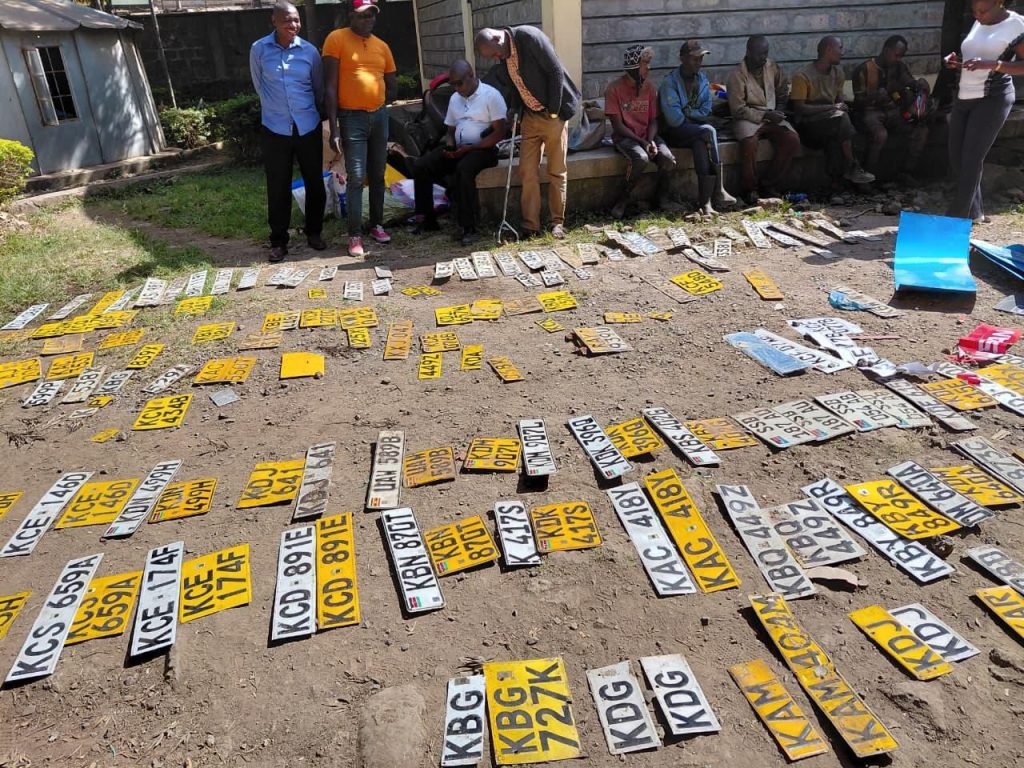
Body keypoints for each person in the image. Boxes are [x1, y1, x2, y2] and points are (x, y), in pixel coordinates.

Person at [475, 26, 581, 239]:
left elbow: (555, 71)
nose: (496, 58)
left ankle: (556, 223)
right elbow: (515, 84)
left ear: (498, 38)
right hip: (530, 118)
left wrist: (553, 111)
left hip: (553, 114)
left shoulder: (529, 37)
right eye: (493, 57)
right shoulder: (503, 53)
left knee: (556, 171)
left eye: (495, 53)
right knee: (526, 171)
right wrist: (515, 109)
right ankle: (531, 226)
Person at [249, 2, 325, 263]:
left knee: (315, 182)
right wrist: (278, 112)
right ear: (274, 21)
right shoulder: (258, 50)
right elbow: (259, 87)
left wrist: (306, 114)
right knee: (278, 186)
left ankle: (314, 232)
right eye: (287, 20)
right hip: (275, 129)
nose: (293, 25)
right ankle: (278, 241)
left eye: (296, 20)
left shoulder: (310, 52)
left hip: (307, 127)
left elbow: (317, 88)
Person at [323, 0, 397, 257]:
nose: (368, 20)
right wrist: (334, 128)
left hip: (379, 116)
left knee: (377, 174)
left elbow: (391, 81)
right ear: (351, 16)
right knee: (356, 176)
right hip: (351, 118)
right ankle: (354, 234)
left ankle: (376, 224)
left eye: (371, 15)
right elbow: (330, 88)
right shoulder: (336, 39)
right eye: (363, 15)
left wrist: (380, 103)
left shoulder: (382, 46)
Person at [409, 59, 507, 245]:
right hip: (461, 148)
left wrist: (471, 148)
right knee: (422, 165)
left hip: (484, 149)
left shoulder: (491, 96)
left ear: (471, 76)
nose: (456, 88)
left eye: (459, 83)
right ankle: (427, 220)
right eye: (452, 84)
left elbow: (499, 133)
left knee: (464, 169)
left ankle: (469, 227)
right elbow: (450, 131)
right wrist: (450, 145)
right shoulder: (455, 98)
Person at [944, 0, 1024, 222]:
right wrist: (956, 61)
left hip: (993, 98)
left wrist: (993, 64)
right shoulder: (978, 20)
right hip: (964, 96)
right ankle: (975, 211)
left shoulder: (1017, 25)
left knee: (971, 158)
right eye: (974, 10)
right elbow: (975, 54)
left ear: (1000, 3)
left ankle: (955, 220)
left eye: (983, 10)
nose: (977, 15)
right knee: (957, 158)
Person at [658, 40, 736, 215]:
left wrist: (687, 112)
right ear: (683, 59)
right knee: (708, 130)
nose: (699, 63)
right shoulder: (669, 83)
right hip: (672, 133)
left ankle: (705, 203)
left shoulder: (702, 80)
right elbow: (674, 119)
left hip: (693, 132)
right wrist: (694, 116)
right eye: (695, 59)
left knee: (700, 143)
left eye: (701, 59)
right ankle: (719, 189)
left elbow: (706, 110)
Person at [604, 44, 680, 218]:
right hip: (626, 137)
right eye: (645, 63)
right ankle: (622, 200)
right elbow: (617, 126)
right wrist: (642, 142)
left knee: (667, 158)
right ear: (633, 67)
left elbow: (654, 120)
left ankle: (661, 199)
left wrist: (651, 140)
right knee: (641, 158)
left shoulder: (650, 88)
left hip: (648, 136)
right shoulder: (614, 88)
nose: (649, 67)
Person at [790, 36, 875, 189]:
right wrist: (831, 108)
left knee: (842, 130)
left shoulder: (838, 73)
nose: (842, 52)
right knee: (841, 121)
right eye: (840, 48)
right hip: (809, 127)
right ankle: (853, 166)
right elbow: (800, 109)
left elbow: (840, 102)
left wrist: (841, 107)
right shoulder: (802, 75)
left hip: (832, 123)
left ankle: (837, 184)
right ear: (828, 50)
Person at [726, 35, 801, 205]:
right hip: (748, 116)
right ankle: (749, 189)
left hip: (772, 114)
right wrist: (765, 116)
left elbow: (783, 91)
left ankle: (769, 184)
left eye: (765, 53)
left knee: (792, 139)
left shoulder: (772, 66)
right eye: (759, 54)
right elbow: (737, 110)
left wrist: (779, 111)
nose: (763, 58)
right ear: (749, 52)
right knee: (749, 142)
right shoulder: (737, 74)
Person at [852, 35, 933, 179]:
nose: (898, 59)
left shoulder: (899, 67)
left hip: (894, 112)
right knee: (880, 135)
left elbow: (911, 84)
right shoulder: (864, 69)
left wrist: (920, 89)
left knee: (920, 130)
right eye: (896, 55)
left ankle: (905, 172)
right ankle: (866, 176)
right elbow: (858, 102)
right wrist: (874, 97)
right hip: (872, 112)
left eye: (900, 56)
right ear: (886, 50)